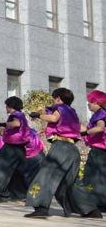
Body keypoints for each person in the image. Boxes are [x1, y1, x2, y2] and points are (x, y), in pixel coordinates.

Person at [25, 88, 95, 219]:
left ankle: (41, 208)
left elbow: (54, 118)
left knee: (46, 175)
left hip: (61, 147)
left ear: (58, 98)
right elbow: (79, 127)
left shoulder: (60, 108)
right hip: (73, 149)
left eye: (54, 98)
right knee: (70, 181)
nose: (53, 100)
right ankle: (91, 210)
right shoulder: (72, 112)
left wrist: (37, 115)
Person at [0, 97, 34, 203]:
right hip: (19, 148)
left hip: (12, 147)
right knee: (16, 172)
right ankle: (20, 195)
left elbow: (16, 124)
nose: (6, 108)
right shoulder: (21, 115)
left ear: (10, 106)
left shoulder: (15, 115)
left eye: (6, 106)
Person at [78, 90, 106, 217]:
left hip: (99, 151)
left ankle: (94, 206)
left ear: (98, 103)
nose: (88, 105)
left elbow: (100, 127)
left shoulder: (101, 113)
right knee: (100, 178)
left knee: (92, 177)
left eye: (91, 102)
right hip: (100, 150)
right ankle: (101, 205)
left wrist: (85, 133)